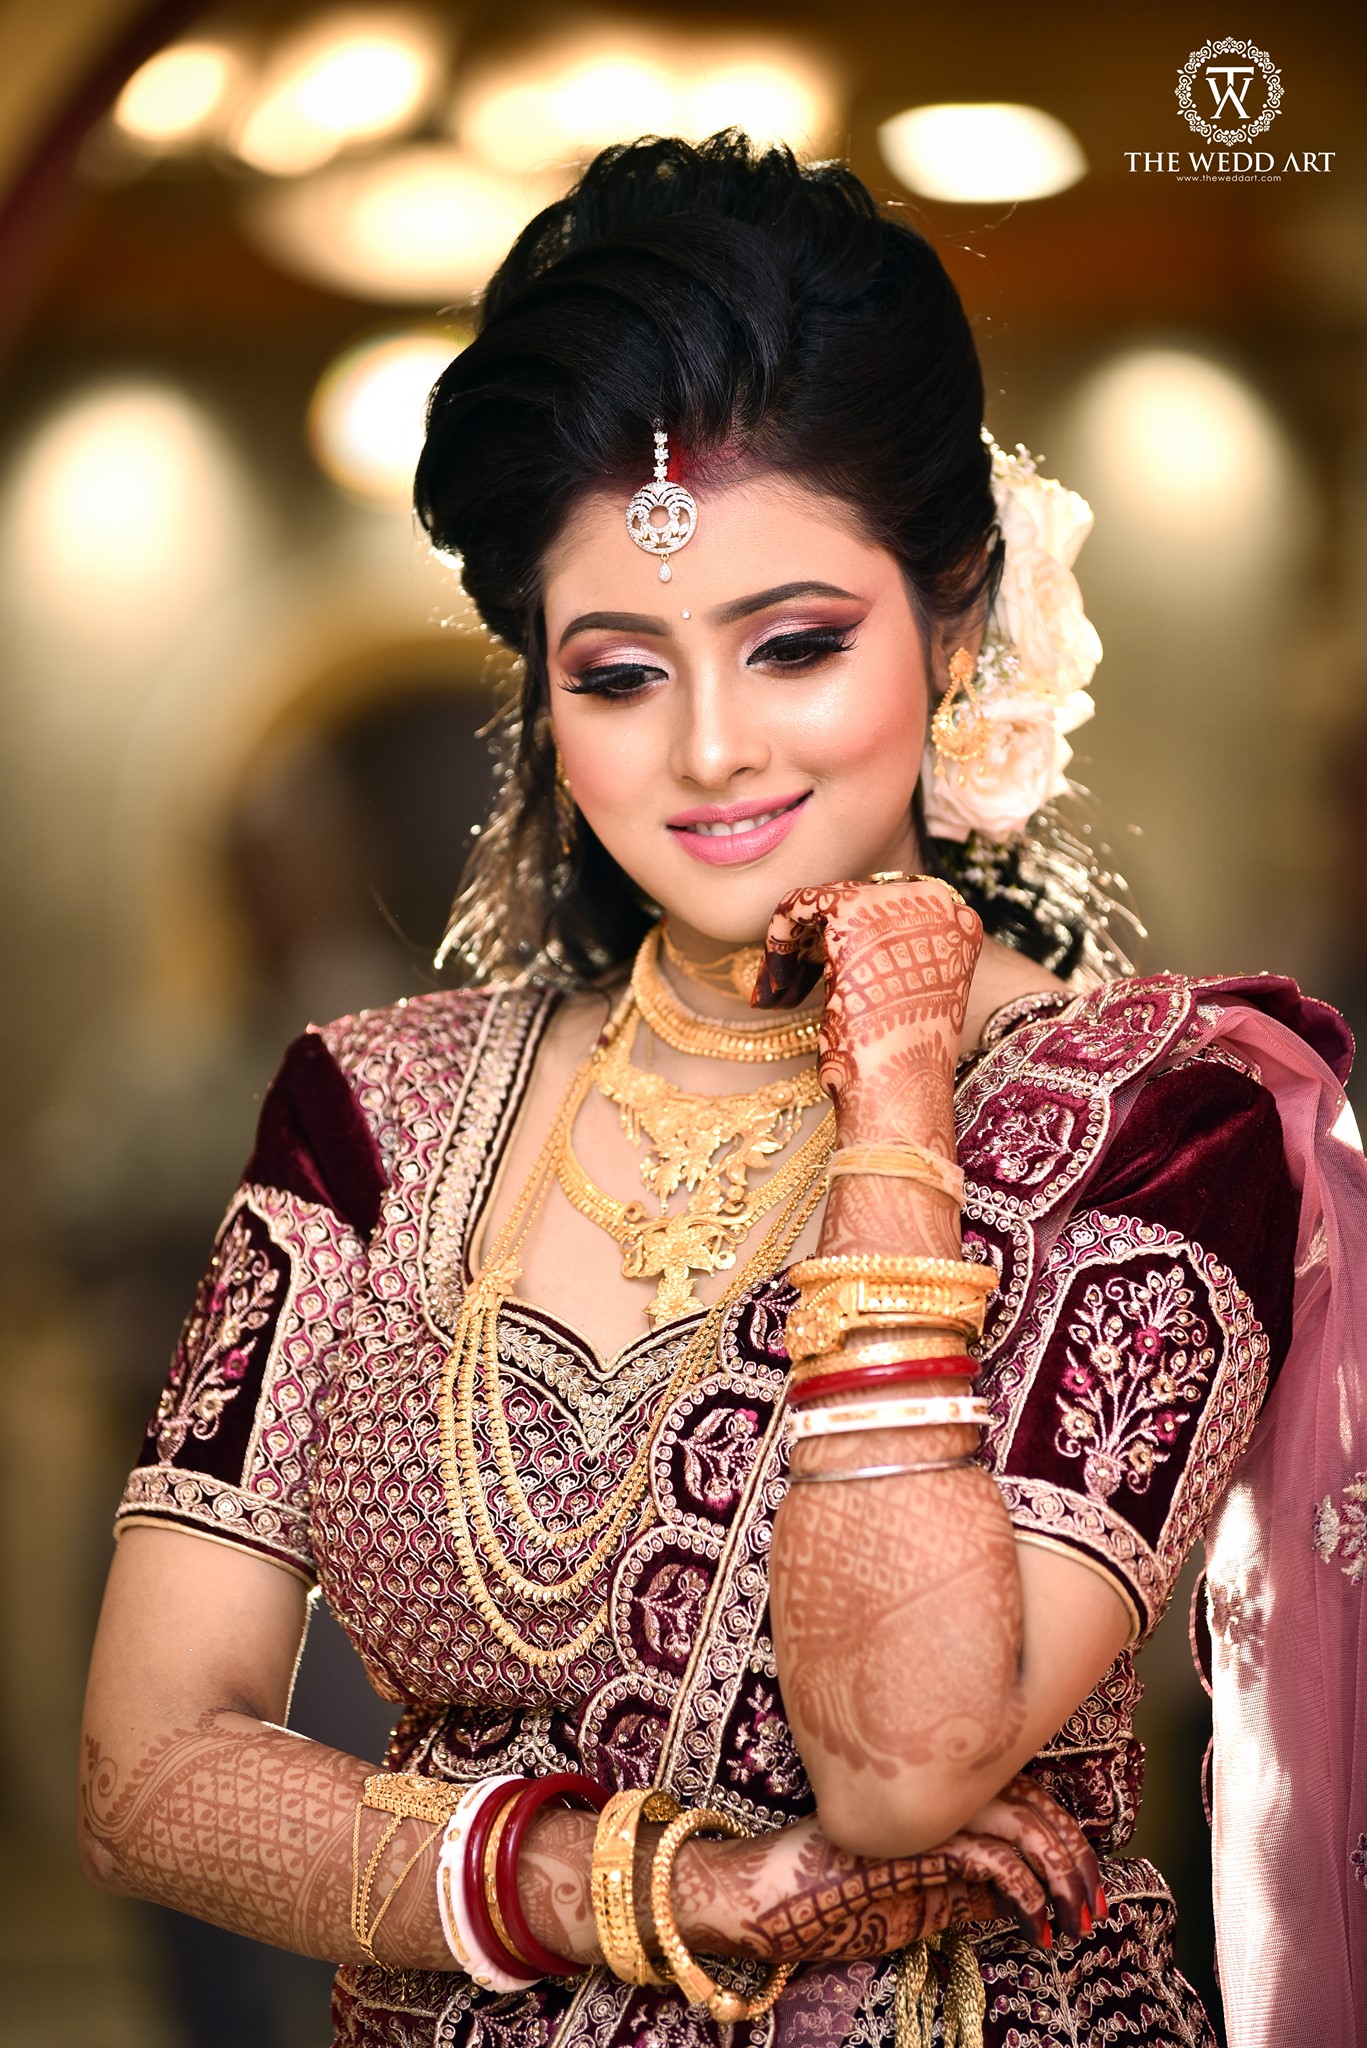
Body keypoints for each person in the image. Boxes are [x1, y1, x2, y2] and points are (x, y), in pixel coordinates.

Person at [79, 134, 1367, 2048]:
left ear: (951, 618)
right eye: (615, 673)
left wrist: (903, 1074)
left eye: (794, 645)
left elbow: (902, 1763)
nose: (707, 751)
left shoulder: (1163, 1122)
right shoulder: (370, 1117)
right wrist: (648, 1886)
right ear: (544, 690)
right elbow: (149, 1763)